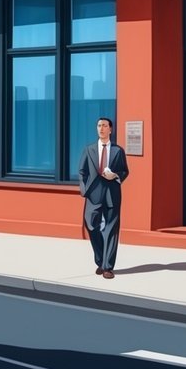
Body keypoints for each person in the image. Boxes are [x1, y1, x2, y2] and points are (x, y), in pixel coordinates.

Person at [78, 117, 128, 279]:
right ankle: (100, 259)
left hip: (112, 193)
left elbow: (124, 171)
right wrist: (84, 190)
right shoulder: (89, 149)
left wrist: (115, 175)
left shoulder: (118, 151)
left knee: (111, 230)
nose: (101, 128)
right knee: (91, 225)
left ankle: (107, 266)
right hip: (93, 194)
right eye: (99, 125)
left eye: (105, 126)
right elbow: (82, 172)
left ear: (110, 130)